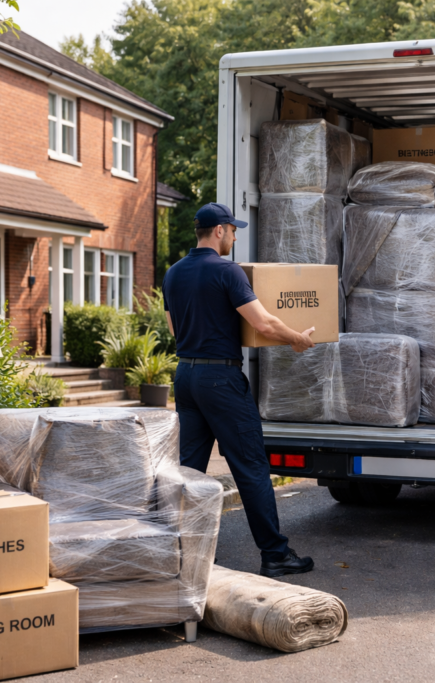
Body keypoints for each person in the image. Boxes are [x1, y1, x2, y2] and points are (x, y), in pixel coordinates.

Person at [162, 202, 317, 577]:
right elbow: (262, 323)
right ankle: (275, 555)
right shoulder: (227, 271)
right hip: (221, 379)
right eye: (233, 230)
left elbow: (172, 330)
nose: (234, 236)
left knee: (188, 471)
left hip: (185, 376)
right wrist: (296, 338)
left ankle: (183, 553)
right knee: (250, 466)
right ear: (219, 231)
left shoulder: (173, 273)